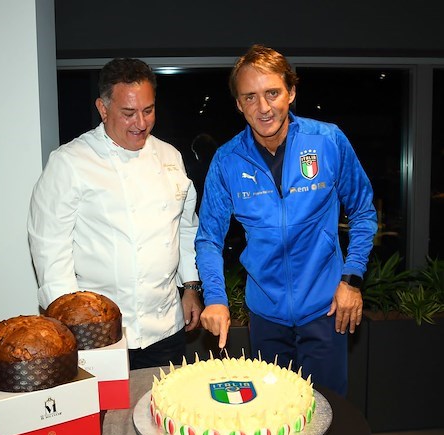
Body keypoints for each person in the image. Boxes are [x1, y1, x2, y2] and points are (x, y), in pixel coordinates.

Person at [195, 45, 378, 396]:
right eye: (250, 97)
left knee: (328, 415)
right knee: (275, 416)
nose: (263, 108)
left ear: (291, 92)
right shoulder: (227, 160)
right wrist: (215, 297)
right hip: (266, 316)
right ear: (238, 104)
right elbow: (208, 238)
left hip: (326, 310)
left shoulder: (327, 141)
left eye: (272, 93)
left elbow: (364, 212)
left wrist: (351, 280)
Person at [28, 58, 203, 370]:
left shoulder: (170, 157)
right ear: (103, 108)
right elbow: (49, 247)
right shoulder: (70, 162)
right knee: (105, 418)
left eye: (148, 110)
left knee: (160, 413)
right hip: (97, 335)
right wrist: (72, 324)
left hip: (165, 328)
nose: (140, 122)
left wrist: (190, 287)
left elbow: (186, 229)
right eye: (128, 113)